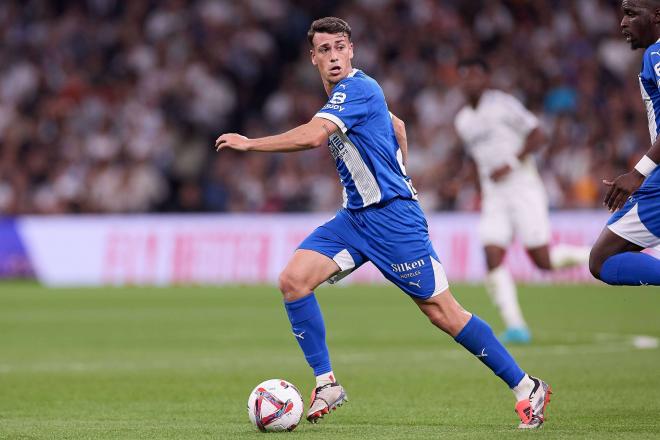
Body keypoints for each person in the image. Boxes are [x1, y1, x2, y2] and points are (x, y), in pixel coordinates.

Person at [215, 17, 551, 429]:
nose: (334, 56)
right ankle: (327, 383)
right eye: (325, 49)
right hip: (355, 218)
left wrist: (250, 144)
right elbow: (398, 126)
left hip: (393, 221)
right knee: (293, 281)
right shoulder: (348, 94)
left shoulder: (358, 88)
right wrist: (399, 163)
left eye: (340, 46)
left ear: (352, 50)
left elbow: (312, 137)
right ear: (313, 57)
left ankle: (526, 386)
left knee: (444, 313)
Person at [454, 58, 591, 344]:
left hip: (523, 187)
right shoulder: (463, 121)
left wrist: (512, 162)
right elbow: (477, 160)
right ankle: (516, 326)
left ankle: (596, 254)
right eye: (464, 77)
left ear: (485, 78)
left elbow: (538, 134)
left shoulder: (502, 104)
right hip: (494, 196)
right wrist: (467, 184)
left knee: (542, 260)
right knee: (492, 255)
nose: (470, 82)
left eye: (474, 75)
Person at [589, 0, 660, 285]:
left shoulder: (657, 53)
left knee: (602, 259)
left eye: (631, 14)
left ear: (657, 15)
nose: (622, 23)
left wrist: (637, 173)